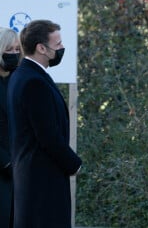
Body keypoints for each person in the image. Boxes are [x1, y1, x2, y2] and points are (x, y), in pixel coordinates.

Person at [7, 20, 82, 228]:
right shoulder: (33, 82)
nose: (61, 48)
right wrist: (74, 163)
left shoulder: (24, 75)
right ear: (41, 48)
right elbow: (47, 134)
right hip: (41, 182)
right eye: (57, 44)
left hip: (34, 180)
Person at [0, 28, 21, 228]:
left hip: (20, 168)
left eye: (17, 49)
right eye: (9, 49)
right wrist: (5, 162)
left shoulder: (18, 79)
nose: (14, 53)